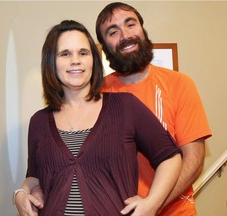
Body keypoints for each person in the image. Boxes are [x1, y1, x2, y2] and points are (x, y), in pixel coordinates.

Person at [14, 20, 182, 216]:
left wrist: (152, 203)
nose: (75, 60)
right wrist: (20, 193)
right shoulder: (39, 122)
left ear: (93, 59)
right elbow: (34, 176)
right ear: (51, 62)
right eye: (65, 53)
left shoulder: (126, 107)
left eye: (83, 53)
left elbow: (170, 157)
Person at [96, 2, 212, 216]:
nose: (125, 35)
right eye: (113, 32)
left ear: (142, 28)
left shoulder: (180, 84)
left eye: (131, 24)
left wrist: (152, 204)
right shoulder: (97, 94)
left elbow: (193, 160)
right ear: (104, 46)